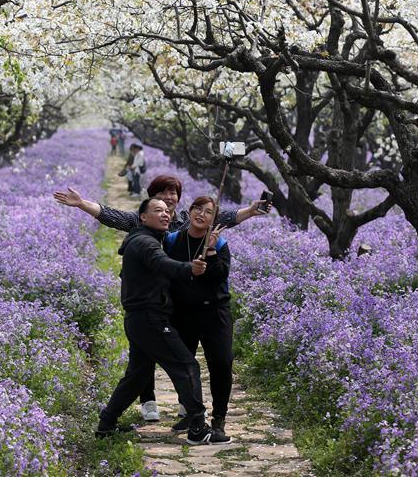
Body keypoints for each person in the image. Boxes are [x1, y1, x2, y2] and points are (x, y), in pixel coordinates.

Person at [54, 174, 272, 421]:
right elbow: (112, 215)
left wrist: (251, 211)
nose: (168, 200)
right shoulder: (144, 223)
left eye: (173, 194)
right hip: (160, 304)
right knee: (153, 358)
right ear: (149, 202)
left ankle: (184, 410)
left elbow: (219, 218)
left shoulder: (182, 221)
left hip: (191, 305)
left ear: (179, 199)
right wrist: (83, 204)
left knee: (164, 360)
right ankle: (152, 403)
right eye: (161, 195)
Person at [95, 198, 231, 445]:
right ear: (143, 218)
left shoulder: (147, 239)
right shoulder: (145, 243)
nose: (166, 214)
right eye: (158, 211)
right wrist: (189, 268)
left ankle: (106, 425)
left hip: (140, 319)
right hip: (150, 318)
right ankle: (198, 428)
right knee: (187, 366)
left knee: (137, 376)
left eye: (167, 211)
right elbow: (162, 263)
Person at [163, 195, 233, 439]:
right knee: (185, 365)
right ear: (190, 211)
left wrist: (211, 250)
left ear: (214, 219)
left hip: (215, 312)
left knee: (221, 364)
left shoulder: (220, 243)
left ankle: (219, 418)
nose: (201, 214)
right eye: (197, 209)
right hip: (185, 312)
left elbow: (220, 277)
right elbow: (167, 272)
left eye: (208, 212)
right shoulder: (173, 240)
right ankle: (193, 416)